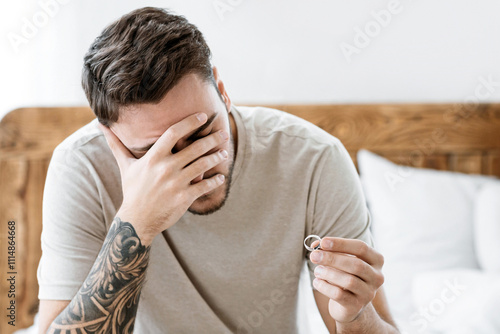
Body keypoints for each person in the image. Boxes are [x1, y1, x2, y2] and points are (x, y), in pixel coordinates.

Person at [37, 6, 399, 334]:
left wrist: (354, 318)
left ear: (222, 90)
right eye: (154, 154)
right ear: (110, 136)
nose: (194, 170)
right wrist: (137, 221)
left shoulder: (313, 158)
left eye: (203, 133)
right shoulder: (82, 167)